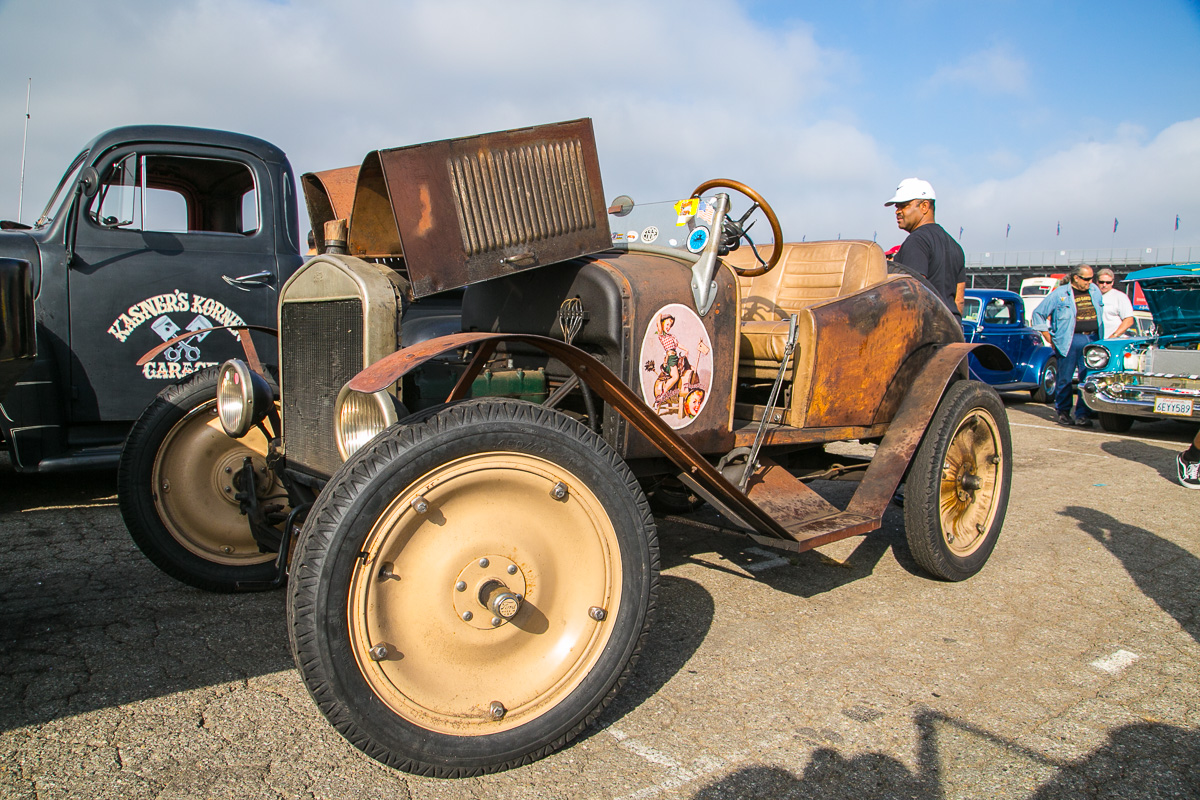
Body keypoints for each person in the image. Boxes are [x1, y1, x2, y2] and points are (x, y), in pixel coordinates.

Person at [1031, 264, 1105, 427]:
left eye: (1092, 278)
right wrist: (1049, 337)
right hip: (1069, 340)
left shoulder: (1094, 291)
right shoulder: (1060, 294)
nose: (1090, 282)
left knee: (1088, 379)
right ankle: (1063, 413)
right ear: (1076, 278)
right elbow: (1038, 314)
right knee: (1065, 378)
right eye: (1086, 279)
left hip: (1092, 339)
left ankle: (1083, 414)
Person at [884, 178, 965, 316]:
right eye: (896, 206)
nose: (897, 211)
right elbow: (959, 300)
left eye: (904, 205)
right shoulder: (955, 246)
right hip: (951, 329)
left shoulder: (916, 241)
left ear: (924, 206)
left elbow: (914, 293)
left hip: (924, 330)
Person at [1095, 267, 1135, 338]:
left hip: (1113, 341)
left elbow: (1129, 320)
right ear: (1097, 281)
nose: (1104, 285)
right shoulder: (1092, 295)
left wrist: (1114, 336)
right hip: (1094, 340)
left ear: (1112, 282)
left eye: (1108, 282)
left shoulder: (1120, 296)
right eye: (1101, 282)